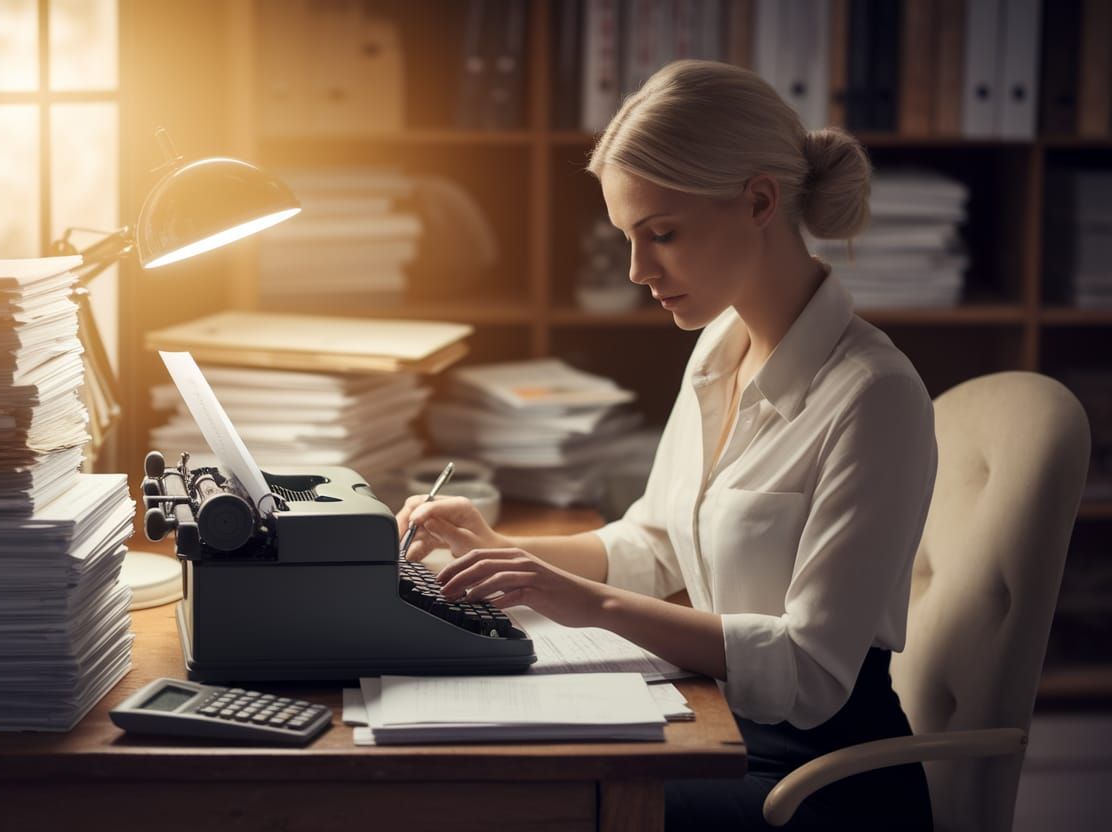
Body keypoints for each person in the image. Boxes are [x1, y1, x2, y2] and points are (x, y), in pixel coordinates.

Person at [396, 59, 936, 831]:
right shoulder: (720, 347)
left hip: (817, 785)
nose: (638, 271)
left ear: (759, 201)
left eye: (663, 235)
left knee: (528, 808)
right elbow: (654, 542)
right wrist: (501, 547)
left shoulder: (873, 395)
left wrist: (592, 605)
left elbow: (811, 674)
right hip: (715, 728)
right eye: (627, 238)